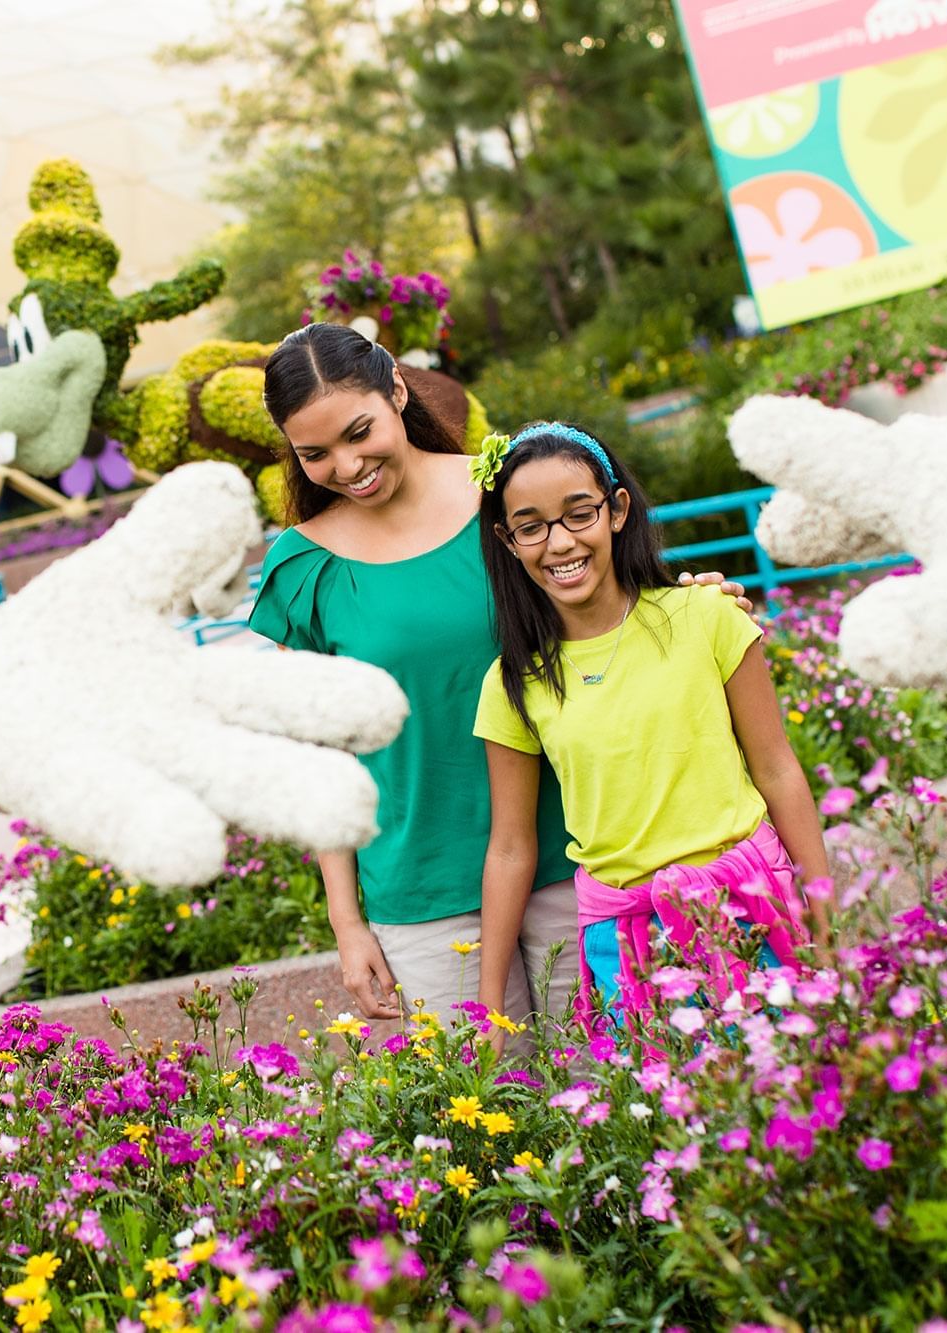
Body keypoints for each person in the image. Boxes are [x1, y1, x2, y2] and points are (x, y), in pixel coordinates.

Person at [248, 324, 746, 1028]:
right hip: (422, 887)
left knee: (615, 1092)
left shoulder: (502, 493)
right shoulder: (304, 568)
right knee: (484, 1114)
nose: (347, 463)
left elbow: (612, 593)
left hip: (579, 854)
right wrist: (345, 921)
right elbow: (318, 757)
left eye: (359, 432)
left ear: (396, 390)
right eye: (315, 453)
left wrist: (693, 599)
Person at [471, 423, 829, 1032]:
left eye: (578, 513)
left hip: (752, 907)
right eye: (531, 526)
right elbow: (510, 846)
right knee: (670, 1119)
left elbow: (777, 768)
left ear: (616, 510)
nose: (559, 543)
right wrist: (488, 1008)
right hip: (626, 938)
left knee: (794, 1097)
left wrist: (825, 918)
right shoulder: (513, 682)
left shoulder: (706, 615)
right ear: (509, 541)